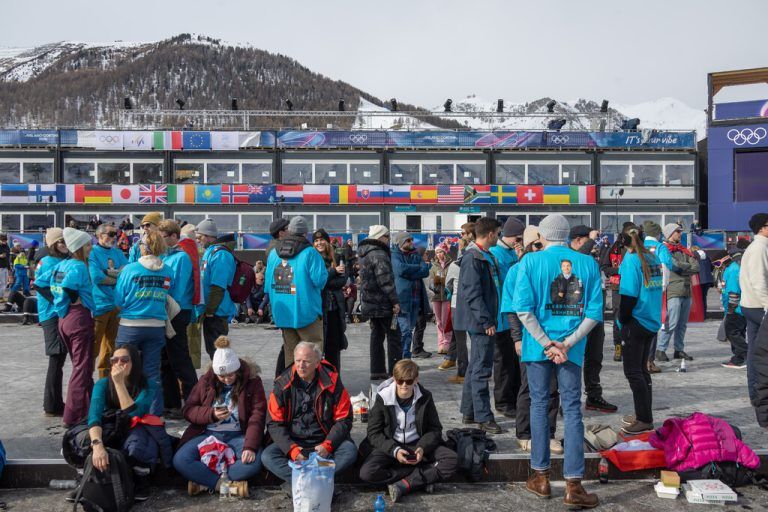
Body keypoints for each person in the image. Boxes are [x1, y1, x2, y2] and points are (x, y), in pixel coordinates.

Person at [513, 214, 602, 508]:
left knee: (539, 405)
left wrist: (545, 343)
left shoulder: (529, 262)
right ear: (567, 234)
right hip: (571, 348)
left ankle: (540, 477)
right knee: (573, 409)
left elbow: (523, 309)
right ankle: (573, 485)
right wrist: (567, 343)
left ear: (543, 234)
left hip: (538, 347)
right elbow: (593, 313)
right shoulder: (587, 263)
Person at [173, 336, 266, 497]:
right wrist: (211, 414)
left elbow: (257, 415)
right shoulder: (206, 381)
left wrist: (250, 446)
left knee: (254, 461)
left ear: (237, 370)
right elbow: (188, 409)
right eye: (222, 376)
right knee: (181, 460)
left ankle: (204, 482)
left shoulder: (253, 381)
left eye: (231, 375)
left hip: (238, 435)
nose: (227, 379)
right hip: (207, 433)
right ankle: (222, 486)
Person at [261, 342, 357, 494]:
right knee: (267, 456)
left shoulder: (332, 381)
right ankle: (320, 482)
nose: (301, 365)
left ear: (318, 362)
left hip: (323, 443)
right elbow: (274, 423)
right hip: (295, 443)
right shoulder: (282, 383)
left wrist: (327, 446)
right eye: (298, 360)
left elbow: (344, 419)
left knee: (349, 451)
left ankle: (300, 482)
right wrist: (291, 450)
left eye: (306, 361)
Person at [359, 359, 457, 503]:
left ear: (416, 379)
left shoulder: (425, 397)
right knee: (367, 473)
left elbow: (435, 429)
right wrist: (395, 450)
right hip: (391, 444)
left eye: (409, 381)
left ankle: (406, 484)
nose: (404, 385)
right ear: (394, 379)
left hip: (417, 443)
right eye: (400, 381)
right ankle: (421, 476)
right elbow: (373, 433)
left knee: (452, 459)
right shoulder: (383, 398)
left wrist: (422, 447)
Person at [500, 226, 562, 454]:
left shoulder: (552, 266)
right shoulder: (517, 270)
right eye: (537, 245)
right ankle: (524, 433)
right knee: (530, 387)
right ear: (528, 247)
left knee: (553, 387)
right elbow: (512, 308)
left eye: (543, 244)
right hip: (530, 338)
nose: (541, 249)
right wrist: (517, 338)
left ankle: (549, 433)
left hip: (555, 338)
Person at [85, 344, 173, 501]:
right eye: (114, 360)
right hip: (110, 427)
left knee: (140, 441)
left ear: (135, 363)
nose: (119, 364)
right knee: (81, 439)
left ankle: (141, 479)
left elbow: (133, 412)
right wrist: (97, 445)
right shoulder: (102, 384)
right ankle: (85, 479)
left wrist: (119, 384)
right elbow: (94, 416)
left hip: (135, 427)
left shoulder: (148, 385)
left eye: (124, 360)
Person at [114, 231, 173, 416]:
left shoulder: (130, 270)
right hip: (156, 326)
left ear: (143, 247)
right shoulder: (167, 270)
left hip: (130, 325)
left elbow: (118, 299)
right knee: (152, 373)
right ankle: (154, 414)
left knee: (121, 369)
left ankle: (124, 409)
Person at [456, 217, 503, 434]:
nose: (499, 237)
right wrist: (486, 320)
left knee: (475, 366)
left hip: (483, 320)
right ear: (491, 233)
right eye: (498, 233)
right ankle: (484, 416)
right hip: (480, 322)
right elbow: (472, 293)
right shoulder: (473, 257)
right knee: (482, 369)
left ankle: (469, 411)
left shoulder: (483, 255)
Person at [617, 226, 663, 435]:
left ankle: (644, 419)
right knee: (642, 371)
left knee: (633, 372)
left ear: (623, 242)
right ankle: (643, 414)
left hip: (635, 321)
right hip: (651, 320)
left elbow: (628, 296)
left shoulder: (631, 261)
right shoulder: (652, 258)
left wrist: (622, 320)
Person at [265, 216, 327, 373]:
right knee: (312, 354)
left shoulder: (273, 254)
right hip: (307, 313)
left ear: (289, 231)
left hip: (283, 314)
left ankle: (291, 390)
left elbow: (267, 286)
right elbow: (320, 281)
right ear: (305, 234)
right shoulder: (310, 253)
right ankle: (312, 391)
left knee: (291, 357)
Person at [569, 225, 617, 413]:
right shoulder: (568, 256)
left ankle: (594, 395)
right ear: (579, 240)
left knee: (595, 357)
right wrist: (591, 240)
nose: (595, 245)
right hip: (574, 315)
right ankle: (568, 399)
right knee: (572, 359)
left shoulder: (590, 257)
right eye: (590, 240)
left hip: (594, 315)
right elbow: (576, 258)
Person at [52, 227, 96, 427]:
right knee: (82, 367)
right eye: (88, 244)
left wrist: (61, 302)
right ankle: (73, 415)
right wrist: (75, 300)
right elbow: (69, 286)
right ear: (79, 247)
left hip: (64, 318)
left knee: (82, 366)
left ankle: (89, 408)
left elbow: (42, 282)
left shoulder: (62, 265)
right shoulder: (78, 266)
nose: (90, 247)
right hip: (78, 318)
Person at [158, 219, 198, 417]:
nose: (161, 240)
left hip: (177, 309)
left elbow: (179, 286)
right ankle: (171, 402)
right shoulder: (165, 255)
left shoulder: (181, 257)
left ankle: (192, 401)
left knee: (180, 357)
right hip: (166, 309)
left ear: (174, 236)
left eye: (164, 237)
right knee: (165, 357)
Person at [489, 217, 525, 419]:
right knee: (502, 363)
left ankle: (514, 398)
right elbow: (506, 282)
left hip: (515, 318)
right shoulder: (496, 254)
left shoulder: (511, 252)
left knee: (514, 363)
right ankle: (503, 402)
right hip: (502, 317)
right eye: (518, 238)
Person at [358, 225, 402, 380]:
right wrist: (395, 301)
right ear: (380, 237)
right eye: (387, 236)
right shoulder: (379, 254)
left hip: (370, 303)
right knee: (394, 337)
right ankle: (396, 372)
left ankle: (377, 371)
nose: (388, 240)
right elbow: (385, 280)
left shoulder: (364, 253)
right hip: (383, 304)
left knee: (376, 336)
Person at [33, 228, 69, 417]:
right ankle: (51, 404)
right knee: (56, 359)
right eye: (61, 241)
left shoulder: (64, 261)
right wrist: (59, 302)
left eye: (66, 241)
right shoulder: (47, 261)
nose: (65, 244)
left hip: (60, 313)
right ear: (53, 244)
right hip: (51, 315)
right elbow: (40, 286)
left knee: (60, 359)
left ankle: (55, 402)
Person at [89, 223, 129, 379]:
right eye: (111, 234)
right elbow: (96, 277)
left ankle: (105, 380)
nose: (114, 237)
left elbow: (126, 274)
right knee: (93, 345)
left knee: (112, 346)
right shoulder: (92, 253)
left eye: (116, 234)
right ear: (99, 235)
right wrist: (116, 276)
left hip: (116, 305)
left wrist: (108, 273)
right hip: (99, 305)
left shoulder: (118, 253)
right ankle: (86, 380)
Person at [656, 223, 699, 362]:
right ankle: (661, 349)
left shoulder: (683, 249)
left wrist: (684, 267)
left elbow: (696, 266)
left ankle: (678, 350)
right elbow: (674, 266)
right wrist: (687, 267)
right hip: (673, 289)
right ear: (670, 233)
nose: (680, 234)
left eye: (680, 231)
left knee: (682, 324)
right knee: (672, 322)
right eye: (677, 232)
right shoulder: (665, 249)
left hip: (686, 290)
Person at [739, 212, 768, 419]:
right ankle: (758, 394)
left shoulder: (756, 247)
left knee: (754, 351)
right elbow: (759, 281)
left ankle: (755, 394)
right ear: (763, 228)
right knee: (760, 353)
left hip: (751, 304)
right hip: (759, 306)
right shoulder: (760, 248)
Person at [197, 218, 237, 360]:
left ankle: (222, 378)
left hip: (217, 312)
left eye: (200, 237)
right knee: (212, 349)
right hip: (211, 311)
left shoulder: (221, 254)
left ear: (208, 236)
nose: (198, 240)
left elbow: (218, 286)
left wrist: (210, 311)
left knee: (218, 351)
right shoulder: (210, 252)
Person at [599, 222, 636, 362]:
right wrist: (619, 271)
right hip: (618, 288)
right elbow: (605, 266)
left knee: (634, 318)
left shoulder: (638, 247)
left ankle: (632, 346)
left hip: (635, 287)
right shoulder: (614, 248)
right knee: (618, 319)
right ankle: (618, 346)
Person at [641, 221, 674, 375]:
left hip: (639, 290)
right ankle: (649, 361)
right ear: (658, 233)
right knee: (653, 326)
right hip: (655, 290)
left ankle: (639, 359)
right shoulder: (661, 247)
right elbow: (668, 265)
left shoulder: (638, 246)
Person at [312, 229, 347, 373]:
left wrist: (325, 280)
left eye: (322, 240)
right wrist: (332, 272)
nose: (319, 243)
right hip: (319, 309)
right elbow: (317, 282)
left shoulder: (338, 256)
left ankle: (335, 379)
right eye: (316, 240)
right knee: (318, 347)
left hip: (335, 309)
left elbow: (342, 281)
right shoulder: (312, 258)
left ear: (327, 241)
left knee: (334, 347)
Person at [392, 233, 431, 359]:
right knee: (405, 332)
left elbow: (425, 271)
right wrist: (416, 268)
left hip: (417, 299)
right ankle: (404, 359)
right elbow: (400, 270)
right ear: (401, 242)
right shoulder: (395, 254)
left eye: (411, 240)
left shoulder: (416, 254)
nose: (411, 243)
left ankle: (405, 359)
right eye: (408, 240)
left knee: (410, 330)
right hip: (403, 299)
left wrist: (410, 273)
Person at [721, 244, 748, 369]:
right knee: (740, 332)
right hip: (744, 306)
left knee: (732, 332)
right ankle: (739, 357)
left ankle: (743, 355)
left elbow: (733, 291)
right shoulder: (743, 267)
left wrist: (731, 310)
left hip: (735, 307)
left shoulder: (732, 269)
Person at [429, 244, 453, 355]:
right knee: (438, 322)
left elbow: (452, 279)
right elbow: (430, 280)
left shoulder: (451, 264)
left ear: (445, 252)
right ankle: (440, 344)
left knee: (446, 321)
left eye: (441, 252)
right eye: (437, 252)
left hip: (447, 297)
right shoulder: (433, 265)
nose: (439, 254)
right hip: (436, 296)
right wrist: (433, 285)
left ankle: (447, 343)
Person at [693, 245, 714, 318]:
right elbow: (712, 267)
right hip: (707, 280)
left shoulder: (694, 255)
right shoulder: (706, 256)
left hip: (699, 280)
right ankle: (704, 314)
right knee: (703, 297)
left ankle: (700, 315)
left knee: (698, 298)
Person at [0, 234, 10, 301]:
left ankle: (1, 296)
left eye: (5, 240)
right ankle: (0, 297)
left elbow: (8, 257)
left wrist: (9, 267)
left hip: (5, 266)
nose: (4, 241)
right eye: (3, 240)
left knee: (5, 283)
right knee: (2, 283)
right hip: (0, 267)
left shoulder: (7, 246)